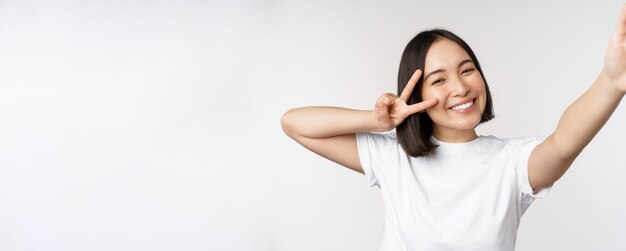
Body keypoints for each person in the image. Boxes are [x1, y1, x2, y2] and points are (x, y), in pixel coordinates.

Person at [280, 5, 626, 251]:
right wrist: (376, 120)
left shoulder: (511, 163)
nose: (460, 88)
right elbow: (295, 124)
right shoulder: (393, 157)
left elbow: (564, 143)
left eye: (467, 70)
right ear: (417, 94)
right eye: (439, 79)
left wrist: (612, 81)